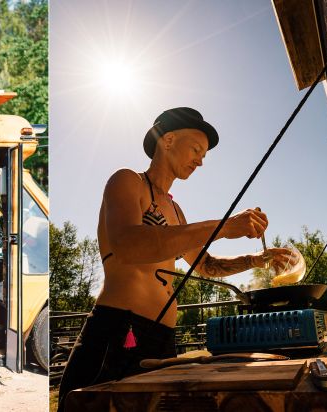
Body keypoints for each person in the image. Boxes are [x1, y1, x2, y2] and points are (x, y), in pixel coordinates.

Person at [56, 107, 295, 411]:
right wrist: (223, 227)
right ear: (167, 140)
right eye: (196, 149)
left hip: (163, 337)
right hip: (119, 329)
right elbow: (128, 245)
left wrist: (256, 259)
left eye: (204, 155)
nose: (200, 160)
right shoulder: (127, 181)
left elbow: (207, 265)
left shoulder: (177, 211)